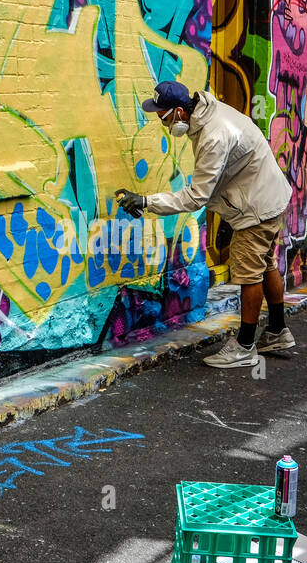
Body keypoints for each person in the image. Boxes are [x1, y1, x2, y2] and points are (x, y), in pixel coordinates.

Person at [116, 81, 293, 368]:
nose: (162, 124)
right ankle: (276, 331)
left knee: (249, 274)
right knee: (266, 264)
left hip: (256, 208)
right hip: (269, 197)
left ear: (178, 112)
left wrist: (146, 202)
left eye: (163, 117)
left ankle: (245, 346)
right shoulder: (209, 113)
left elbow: (196, 197)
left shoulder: (213, 135)